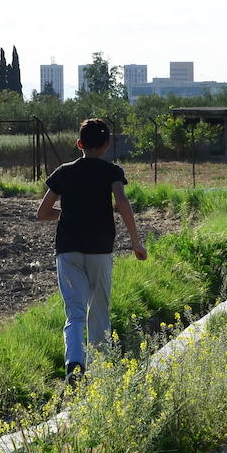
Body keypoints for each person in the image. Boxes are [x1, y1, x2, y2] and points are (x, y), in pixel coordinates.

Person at [36, 118, 147, 389]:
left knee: (74, 313)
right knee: (98, 309)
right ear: (107, 145)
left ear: (79, 144)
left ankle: (74, 363)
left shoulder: (63, 172)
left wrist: (70, 214)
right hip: (99, 249)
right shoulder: (112, 171)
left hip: (68, 250)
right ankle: (100, 372)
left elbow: (42, 213)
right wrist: (135, 241)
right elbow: (121, 203)